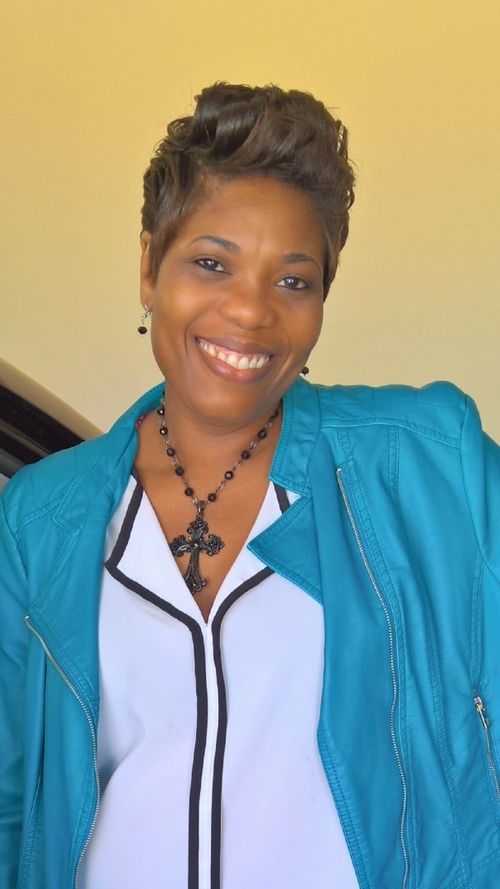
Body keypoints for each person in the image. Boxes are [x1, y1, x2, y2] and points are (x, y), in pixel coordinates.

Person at [1, 82, 499, 889]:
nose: (250, 311)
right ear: (148, 268)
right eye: (212, 263)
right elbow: (11, 803)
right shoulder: (40, 517)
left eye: (293, 281)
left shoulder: (427, 463)